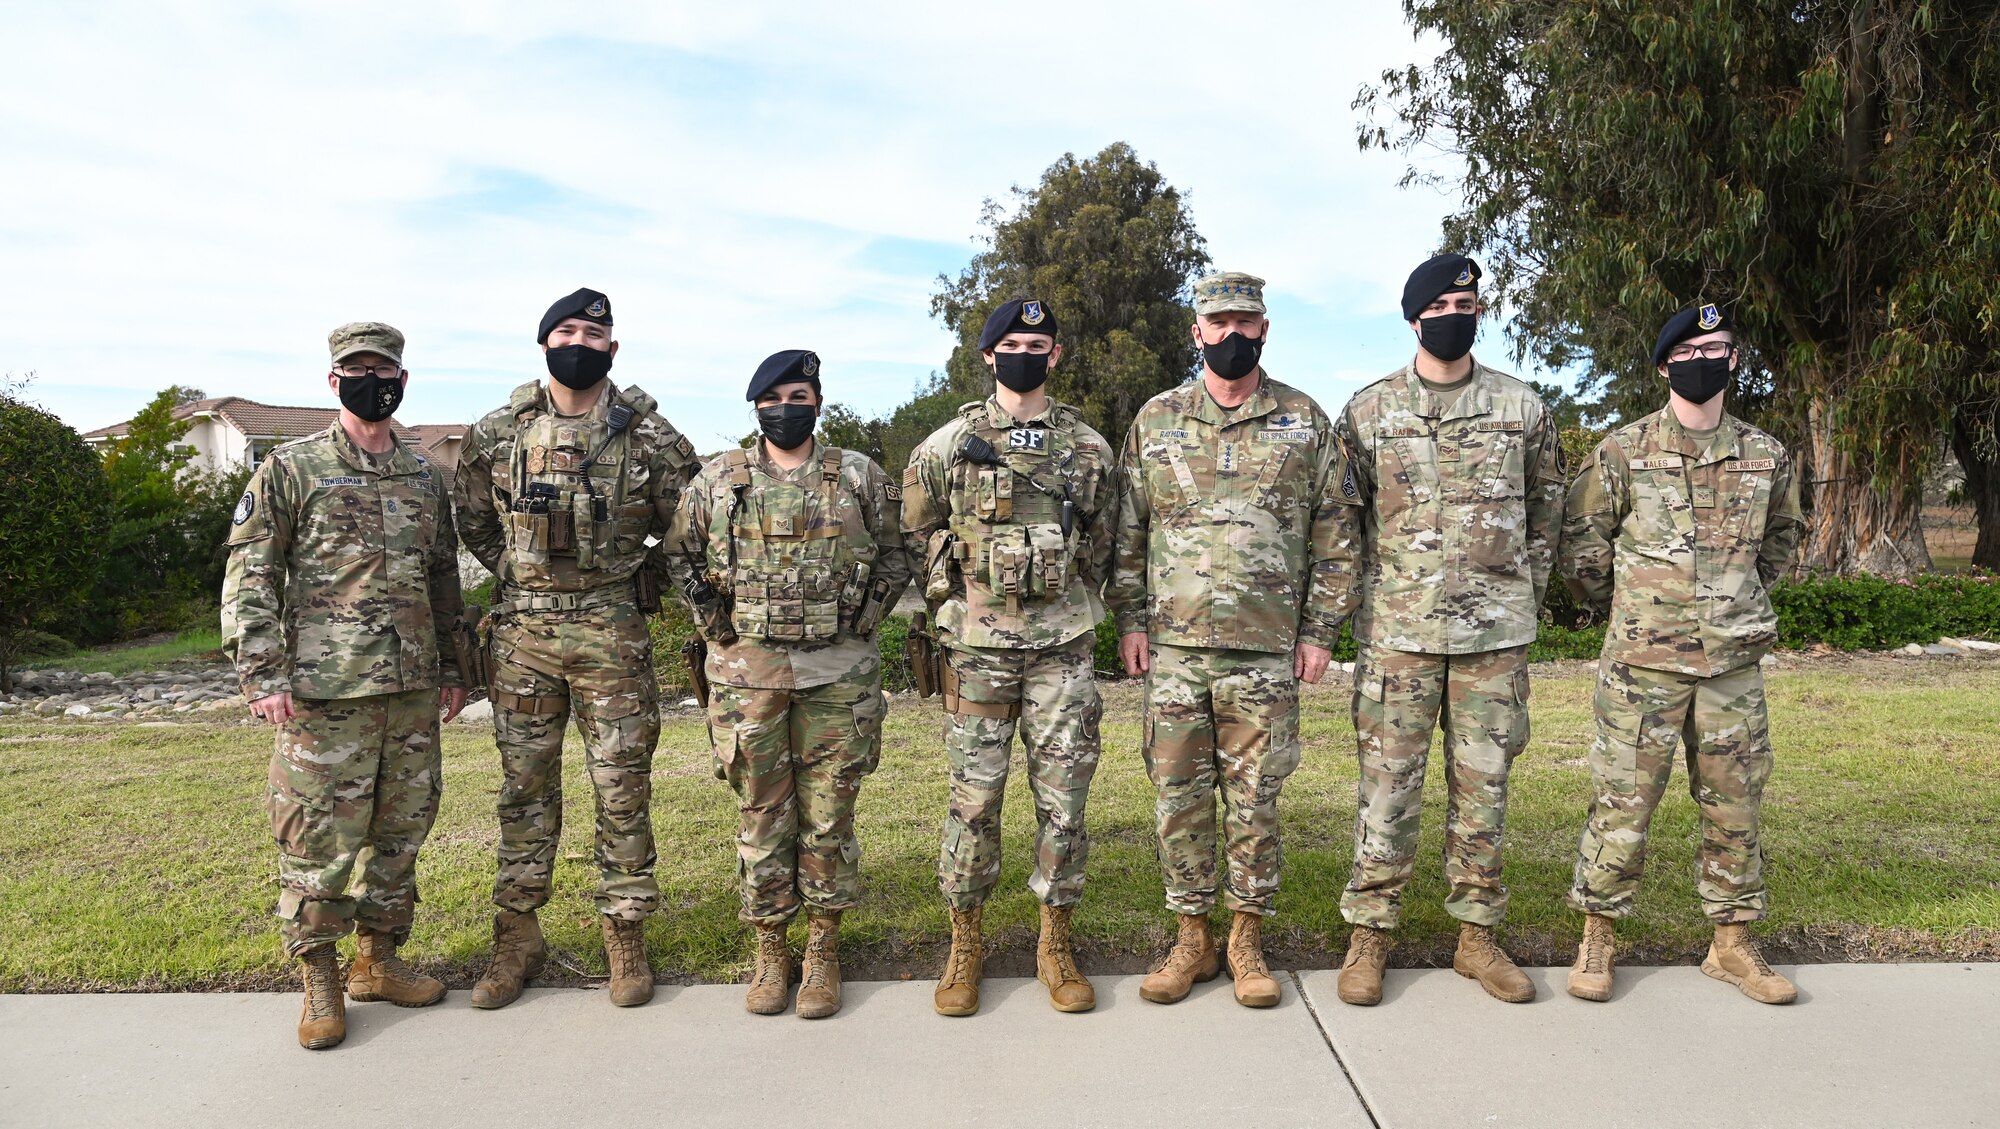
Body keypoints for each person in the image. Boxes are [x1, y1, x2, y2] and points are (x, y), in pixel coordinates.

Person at [1107, 271, 1363, 1009]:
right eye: (1217, 323)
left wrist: (1319, 631)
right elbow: (1129, 531)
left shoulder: (1304, 420)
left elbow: (1336, 535)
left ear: (1264, 330)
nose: (1231, 335)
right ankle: (1193, 935)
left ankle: (1247, 938)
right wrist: (1128, 619)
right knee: (1179, 799)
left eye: (1245, 323)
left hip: (1266, 649)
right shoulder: (1156, 421)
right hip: (1176, 650)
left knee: (1256, 801)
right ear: (1196, 332)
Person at [221, 321, 467, 1050]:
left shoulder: (425, 476)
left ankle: (378, 959)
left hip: (413, 688)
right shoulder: (292, 469)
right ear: (334, 382)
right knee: (319, 840)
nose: (372, 380)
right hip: (324, 695)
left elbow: (444, 577)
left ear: (402, 380)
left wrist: (456, 667)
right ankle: (319, 976)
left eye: (384, 369)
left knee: (402, 833)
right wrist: (262, 672)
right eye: (357, 369)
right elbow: (251, 574)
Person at [453, 288, 699, 1010]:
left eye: (595, 332)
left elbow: (690, 521)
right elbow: (474, 519)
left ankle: (623, 933)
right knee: (524, 787)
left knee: (622, 785)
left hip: (610, 634)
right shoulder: (498, 432)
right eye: (567, 329)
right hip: (525, 635)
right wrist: (517, 576)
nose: (581, 340)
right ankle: (516, 933)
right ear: (544, 343)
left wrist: (635, 575)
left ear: (613, 348)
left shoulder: (648, 435)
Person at [1331, 254, 1566, 1007]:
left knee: (1485, 790)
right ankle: (1371, 932)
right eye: (1442, 303)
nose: (1456, 312)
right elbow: (1345, 521)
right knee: (1387, 790)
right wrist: (1364, 606)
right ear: (1414, 319)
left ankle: (1477, 934)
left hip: (1493, 639)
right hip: (1398, 634)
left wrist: (1514, 592)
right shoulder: (1368, 413)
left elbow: (1546, 514)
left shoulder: (1520, 406)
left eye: (1467, 300)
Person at [1559, 302, 1804, 1005]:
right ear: (1666, 364)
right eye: (1691, 351)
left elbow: (1783, 536)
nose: (1705, 359)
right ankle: (1598, 931)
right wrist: (1634, 607)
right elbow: (1583, 544)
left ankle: (1730, 942)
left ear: (1734, 361)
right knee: (1622, 802)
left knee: (1736, 805)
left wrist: (1736, 598)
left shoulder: (1765, 453)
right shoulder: (1623, 450)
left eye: (1719, 347)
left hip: (1731, 667)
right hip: (1643, 666)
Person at [668, 349, 910, 1019]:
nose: (785, 407)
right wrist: (712, 620)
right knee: (761, 813)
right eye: (773, 398)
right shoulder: (718, 480)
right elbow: (681, 555)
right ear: (756, 408)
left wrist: (866, 616)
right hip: (749, 679)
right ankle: (771, 950)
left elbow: (897, 554)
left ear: (818, 401)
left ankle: (824, 949)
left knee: (830, 816)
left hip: (838, 677)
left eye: (797, 394)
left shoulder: (859, 476)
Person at [901, 299, 1119, 1016]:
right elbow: (915, 532)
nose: (1028, 352)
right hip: (981, 655)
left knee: (1065, 803)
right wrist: (954, 600)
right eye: (1014, 342)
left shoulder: (1088, 447)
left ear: (1055, 355)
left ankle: (1054, 940)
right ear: (989, 355)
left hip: (1063, 653)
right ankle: (965, 943)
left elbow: (1111, 541)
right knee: (974, 802)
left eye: (1040, 342)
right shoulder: (947, 446)